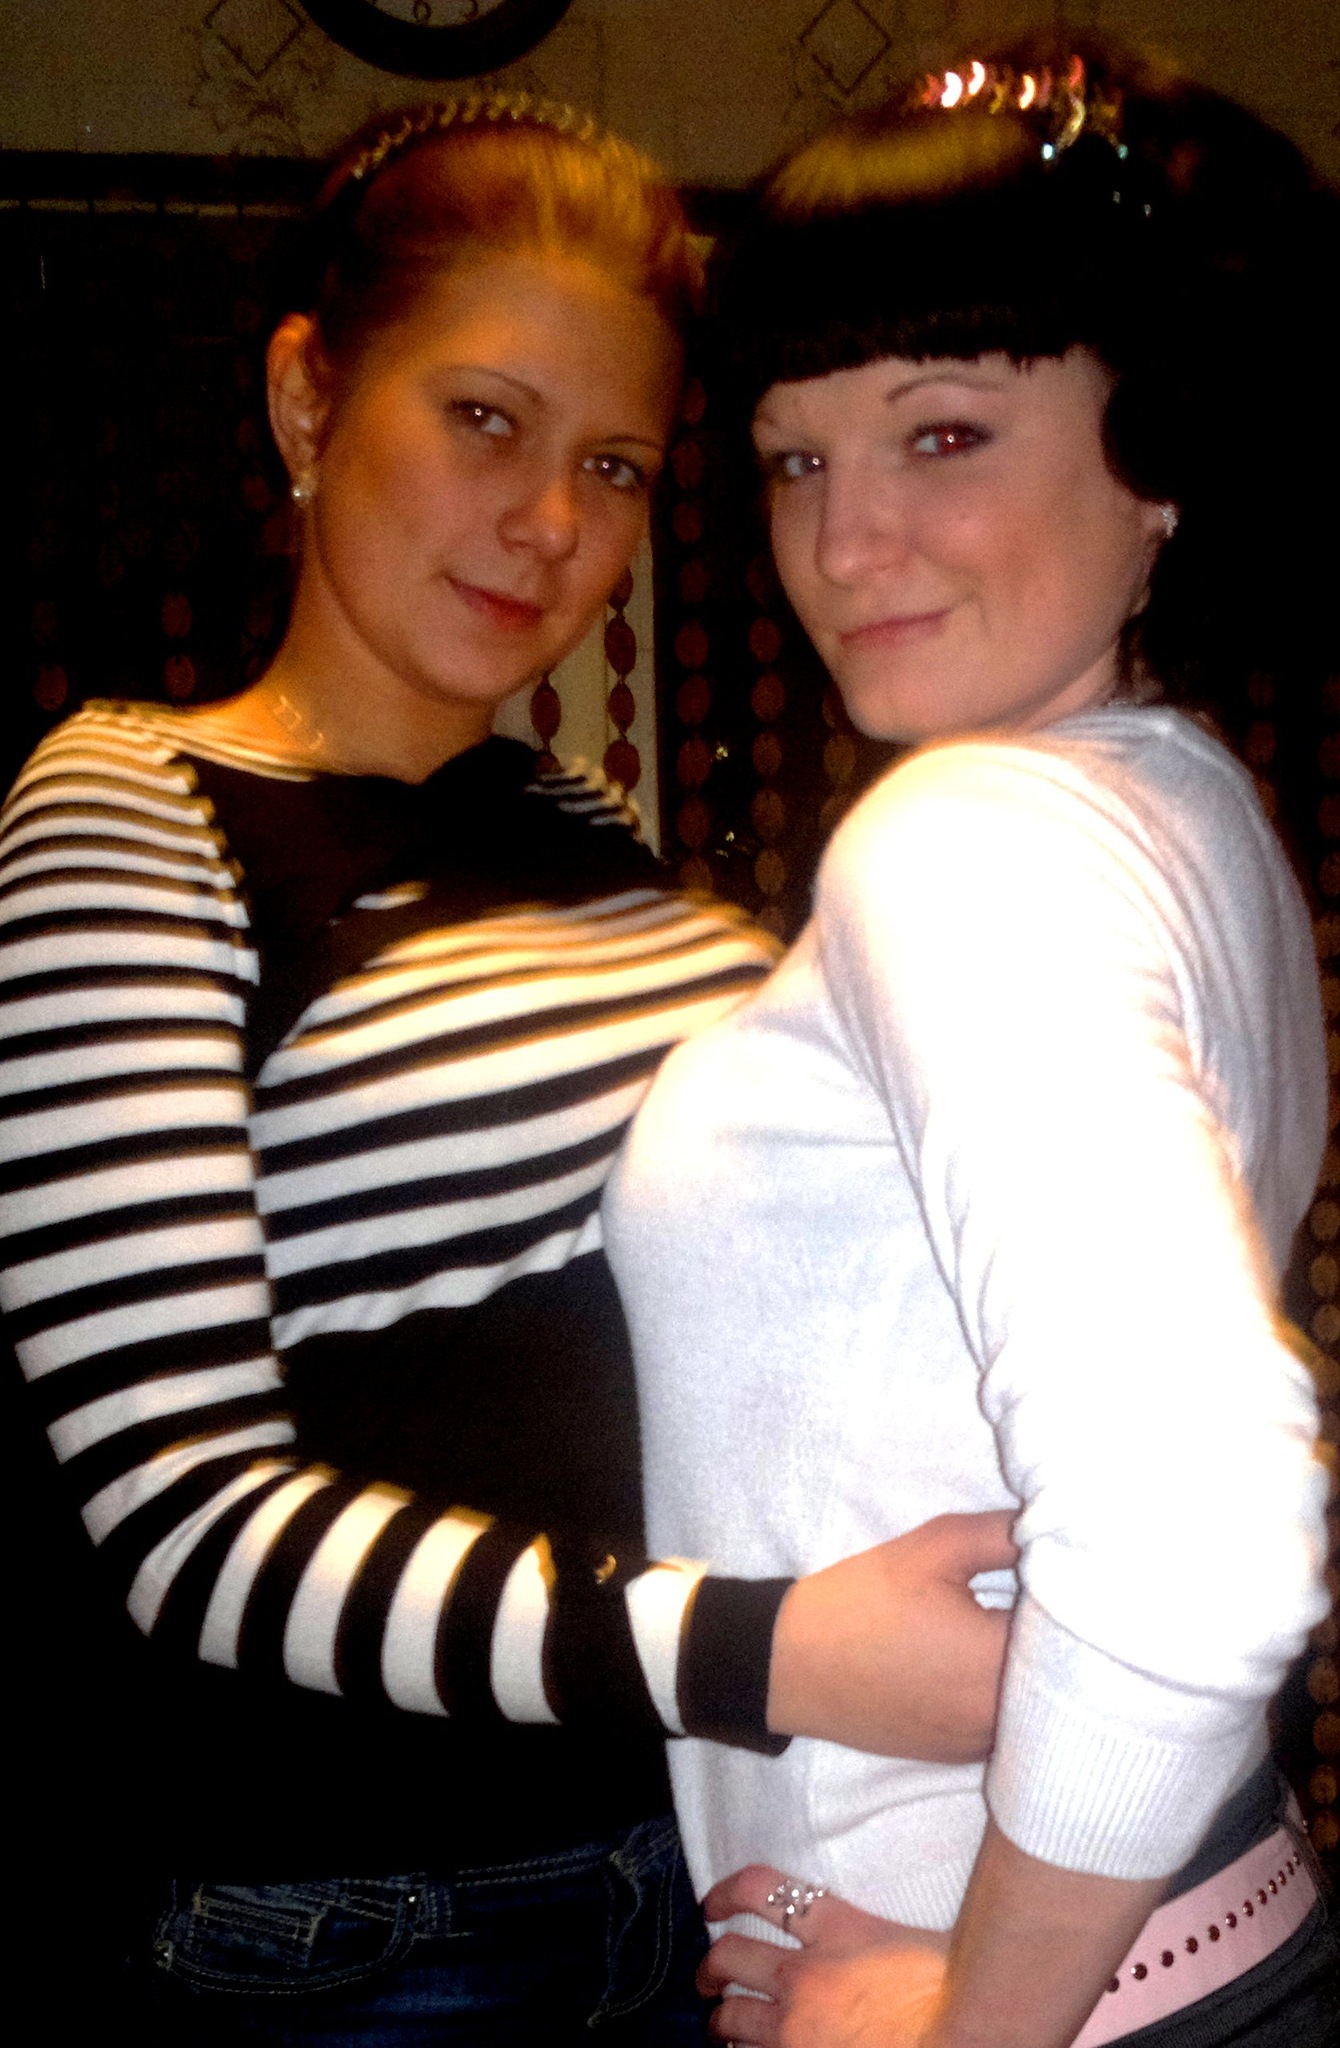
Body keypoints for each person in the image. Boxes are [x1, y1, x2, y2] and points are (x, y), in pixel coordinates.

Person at [0, 94, 1014, 2044]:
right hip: (364, 1925)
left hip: (693, 1857)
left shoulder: (574, 821)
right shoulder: (135, 804)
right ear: (307, 401)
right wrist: (776, 1652)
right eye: (485, 418)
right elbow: (182, 1516)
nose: (553, 524)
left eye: (613, 464)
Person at [604, 36, 1339, 2048]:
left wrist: (968, 2032)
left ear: (1159, 454)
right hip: (1204, 1932)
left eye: (942, 434)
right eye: (794, 459)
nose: (843, 546)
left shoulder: (968, 839)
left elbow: (1196, 1529)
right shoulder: (1186, 808)